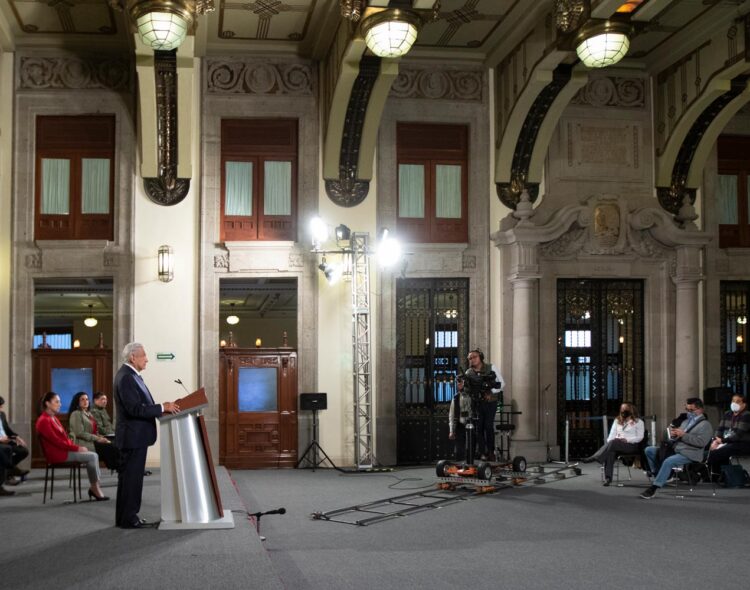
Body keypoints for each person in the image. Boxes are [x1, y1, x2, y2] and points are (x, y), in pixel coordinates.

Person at [113, 342, 179, 529]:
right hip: (132, 438)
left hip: (134, 437)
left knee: (129, 480)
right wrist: (161, 407)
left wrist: (161, 408)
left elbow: (139, 405)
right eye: (144, 356)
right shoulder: (126, 377)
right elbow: (134, 409)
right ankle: (129, 519)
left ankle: (125, 517)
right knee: (131, 480)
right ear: (133, 357)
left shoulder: (132, 376)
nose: (147, 359)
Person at [35, 391, 109, 501]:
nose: (60, 404)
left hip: (63, 450)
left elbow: (64, 439)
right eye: (57, 402)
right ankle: (95, 488)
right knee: (92, 456)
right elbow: (57, 442)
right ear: (47, 404)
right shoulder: (44, 420)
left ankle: (95, 486)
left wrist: (75, 447)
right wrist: (77, 448)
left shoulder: (53, 418)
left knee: (93, 454)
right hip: (57, 454)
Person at [640, 397, 713, 499]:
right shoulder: (686, 422)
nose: (689, 412)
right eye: (687, 410)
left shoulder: (705, 425)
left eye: (691, 410)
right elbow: (678, 437)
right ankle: (659, 474)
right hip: (677, 449)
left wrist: (683, 435)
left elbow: (701, 443)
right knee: (649, 450)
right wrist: (673, 434)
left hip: (691, 453)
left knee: (668, 461)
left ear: (700, 409)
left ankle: (654, 488)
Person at [582, 402, 644, 486]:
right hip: (617, 444)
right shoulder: (617, 420)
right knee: (610, 451)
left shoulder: (638, 422)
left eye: (625, 409)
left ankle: (595, 457)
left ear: (631, 410)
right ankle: (608, 478)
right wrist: (613, 441)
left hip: (631, 445)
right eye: (621, 409)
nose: (622, 411)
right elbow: (611, 436)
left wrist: (627, 440)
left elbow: (640, 437)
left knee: (613, 444)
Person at [464, 349, 503, 461]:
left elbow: (501, 384)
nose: (472, 359)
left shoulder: (491, 367)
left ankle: (490, 452)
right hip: (476, 403)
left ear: (480, 357)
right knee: (478, 428)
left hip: (490, 403)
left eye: (474, 357)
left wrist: (491, 392)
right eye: (470, 358)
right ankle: (482, 452)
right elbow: (467, 390)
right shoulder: (468, 373)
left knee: (488, 426)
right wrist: (463, 387)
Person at [68, 391, 120, 470]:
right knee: (110, 447)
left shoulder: (88, 414)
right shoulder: (76, 414)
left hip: (92, 441)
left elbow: (94, 431)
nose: (86, 401)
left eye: (87, 399)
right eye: (82, 400)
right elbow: (79, 433)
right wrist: (98, 438)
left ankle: (121, 469)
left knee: (114, 445)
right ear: (77, 402)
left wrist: (101, 437)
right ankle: (120, 469)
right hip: (83, 443)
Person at [707, 394, 750, 480]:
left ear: (744, 404)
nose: (734, 403)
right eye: (733, 401)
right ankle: (715, 475)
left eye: (738, 401)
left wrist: (722, 441)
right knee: (707, 448)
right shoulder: (727, 413)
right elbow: (719, 429)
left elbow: (738, 435)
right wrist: (715, 441)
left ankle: (713, 476)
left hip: (742, 443)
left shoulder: (747, 415)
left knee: (716, 453)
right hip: (725, 441)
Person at [0, 395, 30, 495]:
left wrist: (17, 437)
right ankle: (11, 470)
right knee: (6, 450)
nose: (1, 409)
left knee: (23, 451)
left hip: (7, 440)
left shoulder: (2, 414)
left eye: (1, 407)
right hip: (1, 442)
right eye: (0, 407)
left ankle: (9, 470)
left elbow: (7, 430)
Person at [448, 376, 472, 461]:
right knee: (459, 449)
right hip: (460, 425)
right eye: (457, 382)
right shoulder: (456, 397)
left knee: (471, 447)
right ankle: (460, 466)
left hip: (472, 425)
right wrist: (451, 430)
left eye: (461, 382)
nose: (458, 384)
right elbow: (452, 414)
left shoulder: (471, 396)